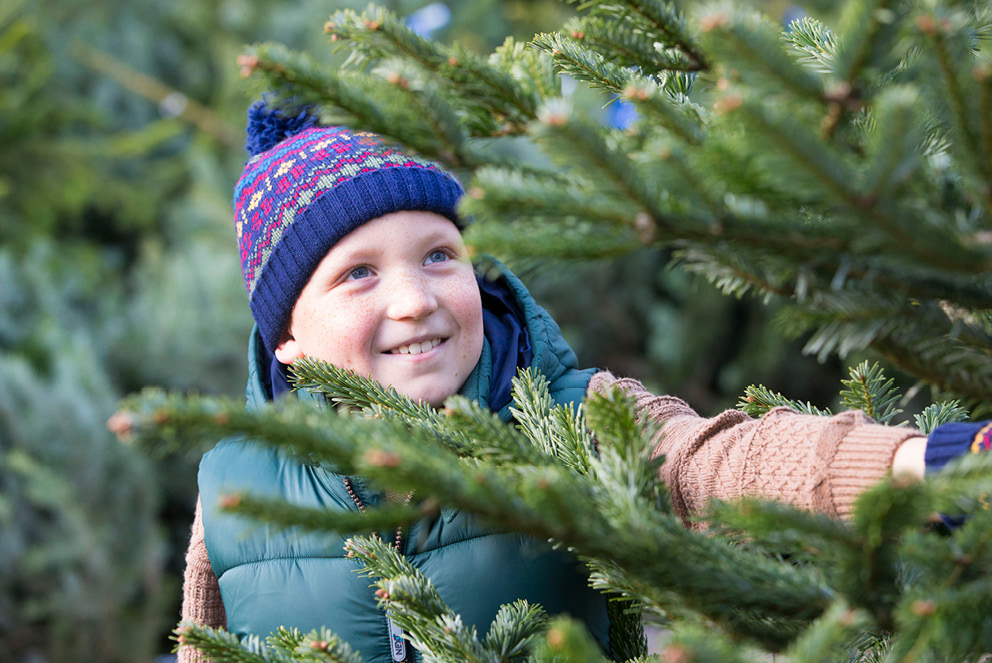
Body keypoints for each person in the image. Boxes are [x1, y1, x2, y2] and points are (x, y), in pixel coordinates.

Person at [178, 102, 990, 663]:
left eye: (439, 254)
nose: (415, 299)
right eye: (358, 274)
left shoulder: (568, 414)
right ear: (285, 336)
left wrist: (922, 465)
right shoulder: (238, 485)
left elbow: (721, 461)